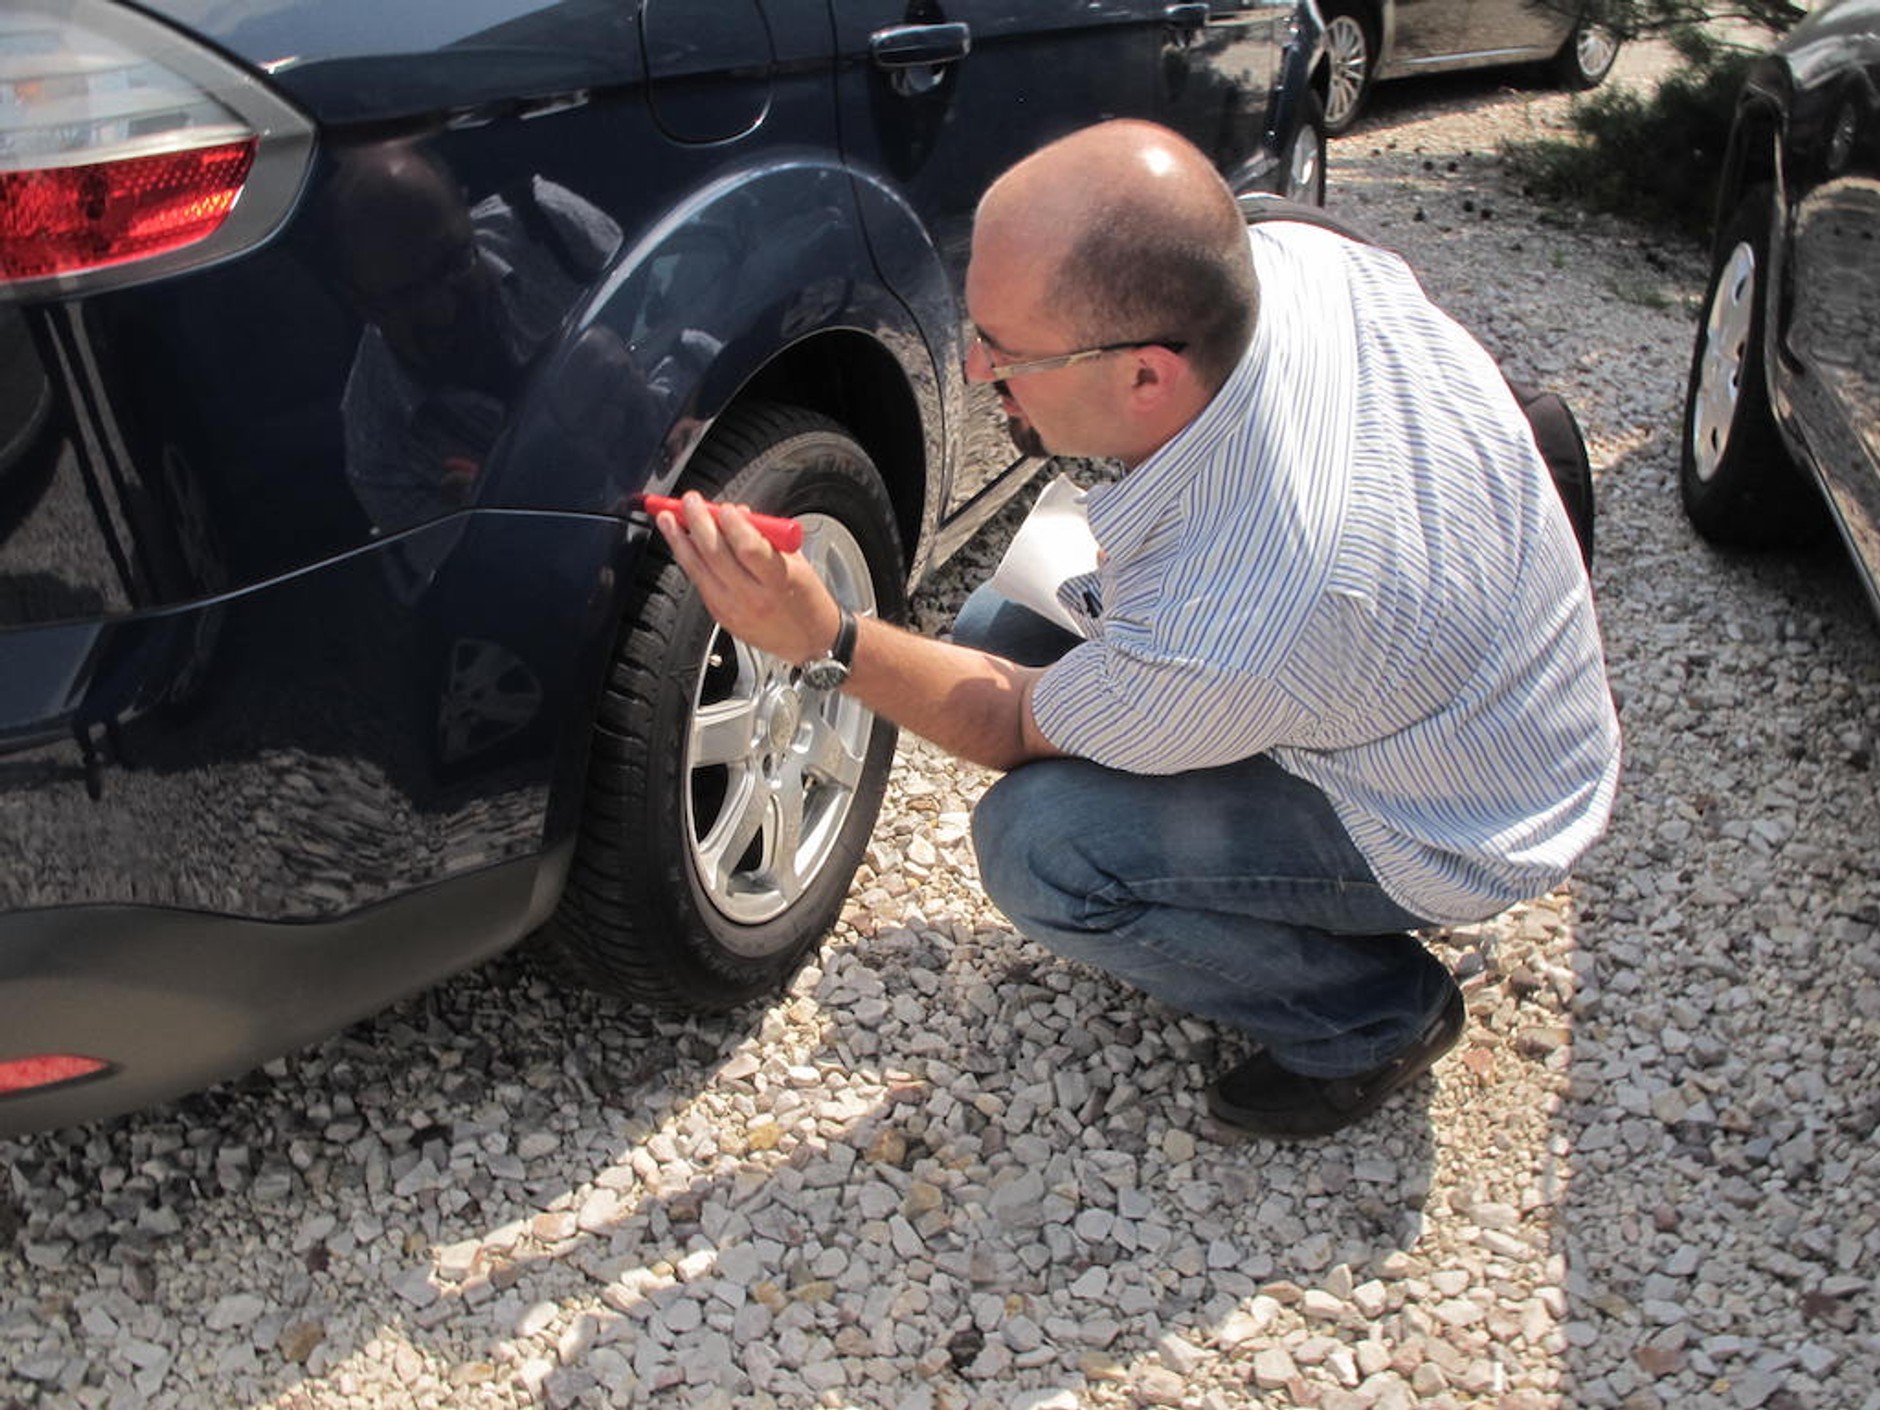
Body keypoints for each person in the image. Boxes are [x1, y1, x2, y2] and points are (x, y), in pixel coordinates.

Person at [654, 120, 1622, 1140]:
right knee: (997, 624)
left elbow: (1011, 724)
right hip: (1451, 673)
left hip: (1455, 815)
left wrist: (826, 637)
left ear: (1146, 376)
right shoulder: (1294, 258)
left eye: (1005, 353)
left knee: (1040, 848)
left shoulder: (1254, 609)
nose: (978, 372)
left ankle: (1372, 1017)